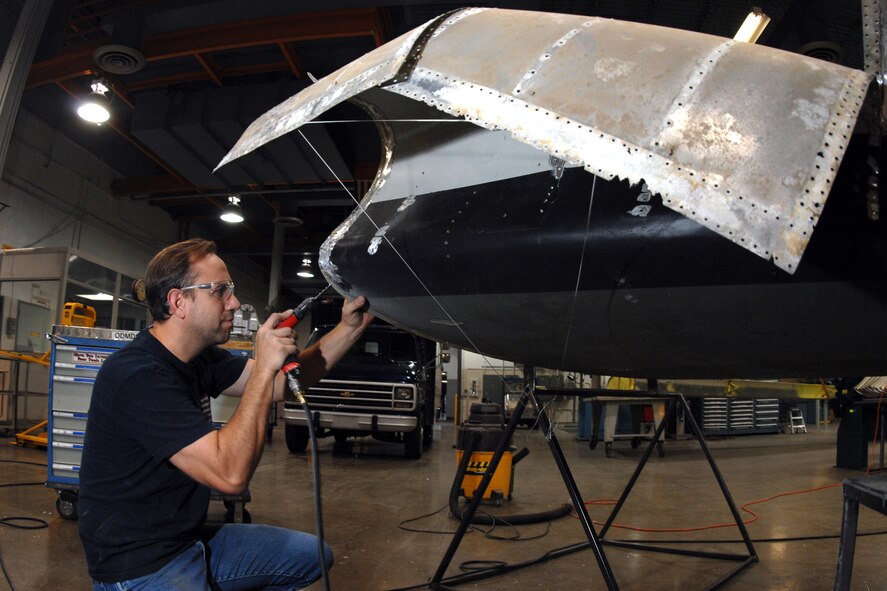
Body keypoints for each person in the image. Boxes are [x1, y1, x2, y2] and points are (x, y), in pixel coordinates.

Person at [78, 238, 373, 590]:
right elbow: (230, 476)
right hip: (142, 564)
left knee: (312, 556)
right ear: (178, 301)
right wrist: (264, 367)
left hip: (185, 539)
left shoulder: (198, 357)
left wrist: (349, 328)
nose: (234, 302)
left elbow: (280, 385)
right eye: (219, 291)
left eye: (230, 290)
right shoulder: (137, 375)